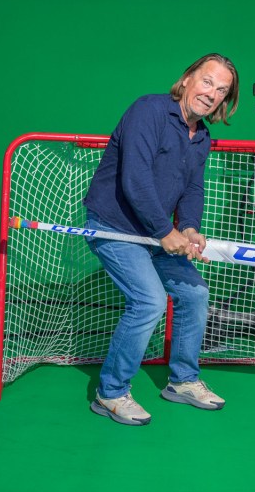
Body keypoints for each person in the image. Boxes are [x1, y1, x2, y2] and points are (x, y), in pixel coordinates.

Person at [82, 53, 239, 426]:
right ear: (186, 80)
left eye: (221, 90)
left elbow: (193, 188)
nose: (211, 93)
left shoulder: (202, 137)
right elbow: (134, 179)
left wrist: (189, 227)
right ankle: (111, 393)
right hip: (114, 227)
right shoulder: (149, 110)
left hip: (153, 233)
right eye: (207, 81)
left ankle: (182, 381)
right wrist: (165, 231)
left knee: (195, 294)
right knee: (149, 300)